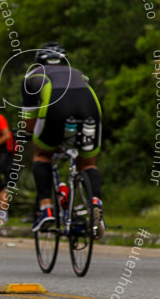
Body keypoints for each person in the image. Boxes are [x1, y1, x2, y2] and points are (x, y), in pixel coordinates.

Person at [22, 42, 105, 239]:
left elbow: (29, 120)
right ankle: (95, 203)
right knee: (88, 163)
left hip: (56, 109)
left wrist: (30, 134)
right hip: (91, 109)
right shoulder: (78, 73)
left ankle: (46, 208)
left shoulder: (32, 76)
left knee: (41, 154)